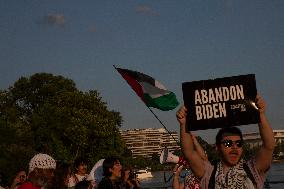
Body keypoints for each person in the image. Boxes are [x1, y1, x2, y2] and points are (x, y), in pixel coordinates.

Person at [176, 95, 275, 189]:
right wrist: (184, 124)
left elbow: (269, 146)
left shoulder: (252, 170)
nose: (234, 147)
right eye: (228, 143)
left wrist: (261, 114)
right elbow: (189, 153)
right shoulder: (209, 174)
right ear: (218, 148)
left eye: (239, 143)